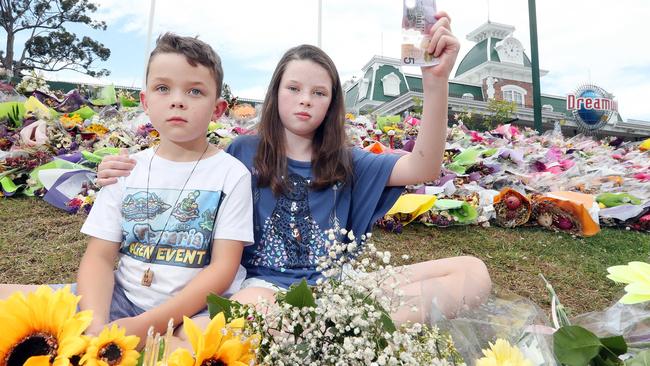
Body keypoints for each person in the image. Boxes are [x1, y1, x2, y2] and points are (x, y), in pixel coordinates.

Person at [98, 11, 491, 323]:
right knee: (253, 316)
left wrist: (435, 82)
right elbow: (184, 165)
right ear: (276, 94)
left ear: (332, 102)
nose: (305, 100)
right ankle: (334, 329)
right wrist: (124, 167)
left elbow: (423, 167)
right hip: (262, 290)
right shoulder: (242, 152)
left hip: (340, 289)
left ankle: (332, 323)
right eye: (294, 88)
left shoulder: (348, 161)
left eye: (319, 92)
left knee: (473, 272)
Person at [0, 33, 254, 342]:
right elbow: (100, 258)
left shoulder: (231, 174)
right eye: (163, 88)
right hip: (122, 298)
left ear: (217, 109)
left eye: (195, 91)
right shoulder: (125, 169)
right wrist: (95, 325)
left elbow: (223, 269)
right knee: (11, 303)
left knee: (203, 341)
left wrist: (147, 324)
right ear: (146, 102)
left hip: (195, 310)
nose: (177, 99)